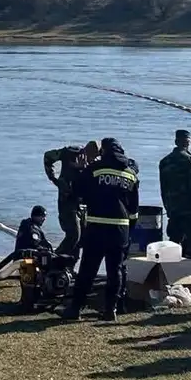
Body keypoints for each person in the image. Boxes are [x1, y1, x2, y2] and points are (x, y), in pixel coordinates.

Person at [61, 137, 139, 322]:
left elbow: (77, 192)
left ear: (103, 151)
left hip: (97, 226)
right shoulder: (130, 174)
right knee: (115, 270)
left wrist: (80, 170)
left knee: (88, 269)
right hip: (121, 229)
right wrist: (129, 231)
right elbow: (134, 209)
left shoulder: (95, 169)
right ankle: (111, 310)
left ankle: (75, 309)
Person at [43, 141, 99, 256]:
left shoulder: (95, 163)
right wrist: (54, 178)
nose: (93, 160)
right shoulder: (71, 153)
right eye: (92, 156)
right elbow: (48, 156)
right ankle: (53, 258)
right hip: (67, 201)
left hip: (82, 205)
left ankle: (69, 262)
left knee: (81, 239)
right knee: (74, 235)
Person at [159, 130, 191, 260]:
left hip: (173, 208)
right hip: (190, 209)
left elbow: (163, 187)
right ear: (188, 142)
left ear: (176, 142)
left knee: (174, 241)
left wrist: (168, 206)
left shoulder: (165, 161)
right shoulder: (189, 159)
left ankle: (171, 268)